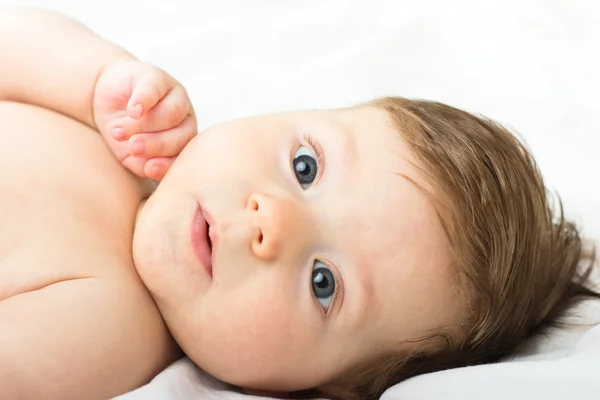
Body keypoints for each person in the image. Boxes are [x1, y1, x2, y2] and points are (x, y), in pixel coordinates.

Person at [1, 7, 598, 400]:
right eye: (304, 168)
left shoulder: (112, 331)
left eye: (323, 283)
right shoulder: (127, 125)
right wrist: (97, 75)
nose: (272, 219)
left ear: (324, 388)